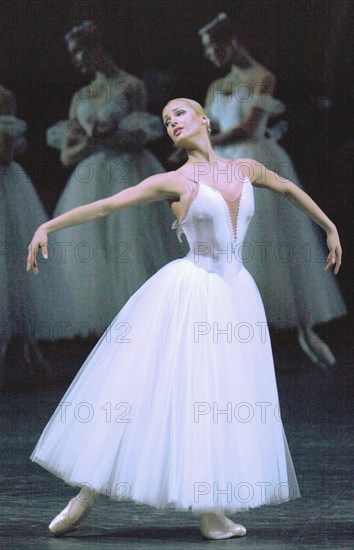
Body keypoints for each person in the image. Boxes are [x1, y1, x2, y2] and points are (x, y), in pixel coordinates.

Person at [27, 98, 341, 540]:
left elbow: (288, 189)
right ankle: (86, 493)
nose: (172, 122)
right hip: (192, 292)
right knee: (144, 389)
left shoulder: (245, 168)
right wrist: (48, 228)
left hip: (235, 296)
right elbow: (108, 205)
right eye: (165, 120)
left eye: (179, 113)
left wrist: (328, 225)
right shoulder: (174, 181)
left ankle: (213, 514)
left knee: (223, 399)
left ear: (203, 119)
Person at [199, 13, 346, 367]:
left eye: (215, 46)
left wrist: (207, 145)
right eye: (206, 49)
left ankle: (305, 329)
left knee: (277, 245)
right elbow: (205, 126)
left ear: (233, 41)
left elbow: (249, 128)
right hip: (222, 167)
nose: (210, 54)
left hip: (255, 163)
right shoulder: (216, 87)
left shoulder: (263, 77)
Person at [48, 21, 180, 337]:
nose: (76, 61)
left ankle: (144, 327)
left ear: (96, 48)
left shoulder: (131, 86)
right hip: (91, 177)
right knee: (95, 248)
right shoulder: (81, 95)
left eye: (79, 52)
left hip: (129, 172)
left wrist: (106, 138)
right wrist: (95, 142)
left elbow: (140, 136)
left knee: (132, 244)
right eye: (72, 55)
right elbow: (67, 155)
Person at [0, 80, 53, 387]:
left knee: (8, 268)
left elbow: (3, 151)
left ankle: (21, 350)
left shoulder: (2, 96)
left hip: (1, 186)